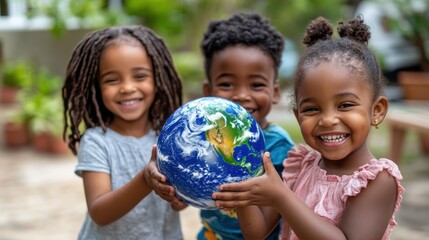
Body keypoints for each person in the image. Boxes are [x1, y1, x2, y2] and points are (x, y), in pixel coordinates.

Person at [212, 16, 404, 240]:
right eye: (312, 109)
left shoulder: (376, 181)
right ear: (297, 115)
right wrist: (240, 175)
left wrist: (282, 198)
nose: (328, 120)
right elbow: (257, 233)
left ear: (377, 110)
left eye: (345, 105)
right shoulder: (301, 165)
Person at [146, 12, 295, 240]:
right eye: (226, 84)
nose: (241, 95)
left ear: (274, 92)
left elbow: (258, 233)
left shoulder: (280, 150)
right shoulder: (199, 137)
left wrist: (240, 173)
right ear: (208, 92)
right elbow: (182, 204)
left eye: (256, 84)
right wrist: (167, 183)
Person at [62, 25, 184, 239]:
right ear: (96, 87)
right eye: (112, 80)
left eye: (139, 76)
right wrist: (145, 180)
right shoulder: (97, 142)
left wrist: (181, 196)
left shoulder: (170, 138)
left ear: (158, 79)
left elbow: (177, 206)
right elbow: (99, 212)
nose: (127, 88)